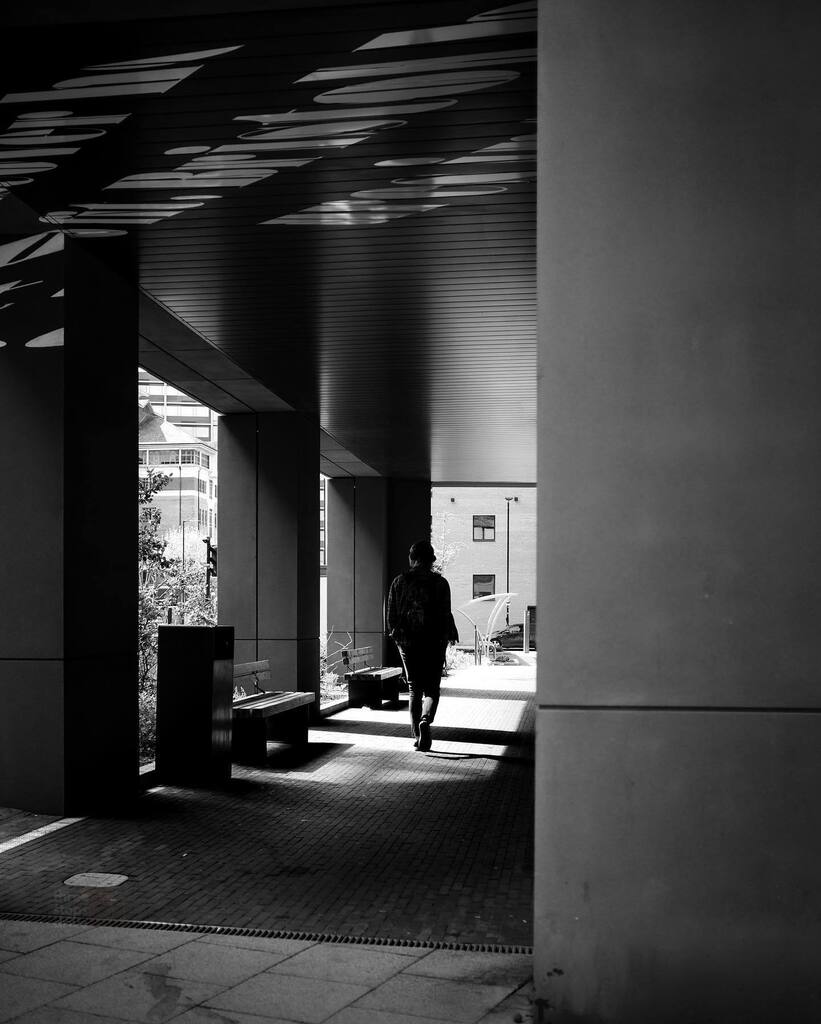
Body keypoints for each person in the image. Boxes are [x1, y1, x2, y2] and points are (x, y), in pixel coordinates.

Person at [386, 539, 459, 752]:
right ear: (431, 560)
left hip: (408, 642)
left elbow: (391, 614)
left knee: (414, 688)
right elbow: (445, 614)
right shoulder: (441, 583)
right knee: (432, 688)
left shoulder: (399, 582)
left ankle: (418, 737)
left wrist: (397, 636)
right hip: (434, 642)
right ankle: (425, 720)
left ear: (413, 558)